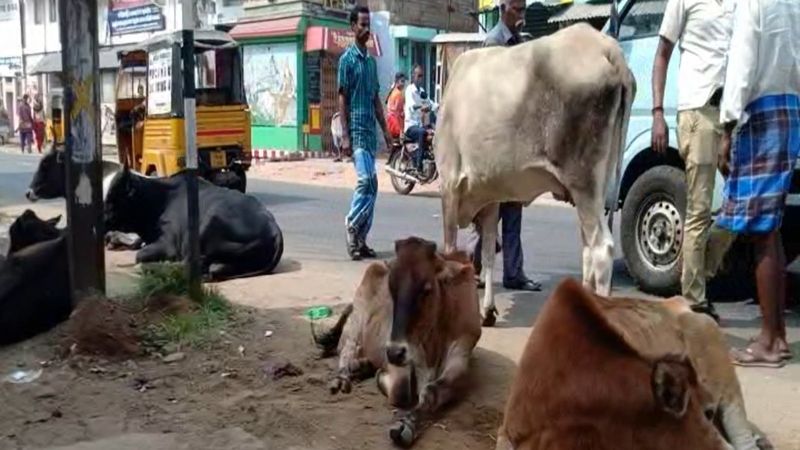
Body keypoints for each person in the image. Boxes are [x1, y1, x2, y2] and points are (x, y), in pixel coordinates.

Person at [716, 0, 799, 367]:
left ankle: (767, 341)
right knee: (773, 227)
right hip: (789, 108)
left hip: (761, 113)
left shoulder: (753, 5)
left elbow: (741, 69)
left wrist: (727, 128)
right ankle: (777, 336)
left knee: (761, 231)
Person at [652, 0, 734, 321]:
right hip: (697, 111)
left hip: (731, 116)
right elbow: (662, 55)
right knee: (699, 209)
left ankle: (697, 271)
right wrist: (658, 112)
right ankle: (695, 300)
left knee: (744, 201)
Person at [470, 0, 541, 293]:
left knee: (513, 209)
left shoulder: (520, 44)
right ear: (503, 9)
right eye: (517, 9)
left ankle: (513, 272)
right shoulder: (493, 43)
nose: (522, 15)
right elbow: (487, 96)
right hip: (496, 142)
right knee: (491, 212)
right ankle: (471, 268)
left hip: (515, 141)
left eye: (523, 9)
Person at [338, 5, 392, 261]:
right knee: (365, 181)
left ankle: (361, 239)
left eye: (368, 24)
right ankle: (351, 224)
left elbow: (375, 100)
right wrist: (345, 135)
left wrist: (386, 133)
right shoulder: (346, 61)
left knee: (374, 186)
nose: (366, 28)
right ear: (352, 27)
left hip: (370, 133)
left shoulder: (371, 63)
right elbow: (342, 98)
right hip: (356, 133)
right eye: (361, 24)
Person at [403, 65, 436, 172]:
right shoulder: (409, 90)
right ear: (413, 76)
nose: (420, 78)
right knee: (422, 132)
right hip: (410, 126)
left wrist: (439, 106)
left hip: (419, 124)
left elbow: (429, 102)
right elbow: (411, 107)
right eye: (419, 75)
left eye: (422, 76)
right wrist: (422, 107)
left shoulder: (421, 91)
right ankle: (418, 164)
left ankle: (428, 156)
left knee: (433, 129)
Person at [385, 72, 406, 141]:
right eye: (402, 81)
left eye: (404, 81)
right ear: (397, 82)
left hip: (390, 123)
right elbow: (397, 113)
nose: (403, 84)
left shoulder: (393, 92)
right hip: (395, 124)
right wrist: (401, 130)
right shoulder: (399, 94)